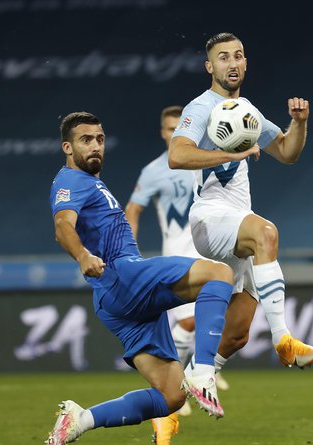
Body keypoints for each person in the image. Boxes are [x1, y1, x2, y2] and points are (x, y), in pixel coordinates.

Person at [46, 111, 234, 445]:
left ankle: (81, 419)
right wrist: (82, 255)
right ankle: (204, 370)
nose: (95, 146)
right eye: (85, 140)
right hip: (123, 274)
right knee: (218, 273)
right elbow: (63, 227)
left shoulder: (90, 183)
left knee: (172, 396)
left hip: (113, 300)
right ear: (67, 147)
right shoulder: (69, 182)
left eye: (100, 139)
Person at [168, 32, 313, 376]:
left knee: (237, 335)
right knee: (266, 234)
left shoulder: (245, 111)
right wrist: (229, 153)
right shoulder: (201, 107)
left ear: (246, 62)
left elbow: (286, 152)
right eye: (223, 57)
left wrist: (299, 123)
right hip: (209, 218)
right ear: (210, 66)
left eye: (238, 56)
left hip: (237, 222)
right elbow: (176, 155)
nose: (232, 63)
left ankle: (191, 382)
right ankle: (284, 339)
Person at [125, 105, 229, 443]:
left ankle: (182, 384)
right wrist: (129, 251)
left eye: (178, 128)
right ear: (162, 132)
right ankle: (186, 382)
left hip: (209, 249)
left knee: (208, 319)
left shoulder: (202, 157)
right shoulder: (154, 170)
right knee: (188, 322)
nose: (173, 134)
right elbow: (133, 208)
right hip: (177, 255)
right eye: (168, 129)